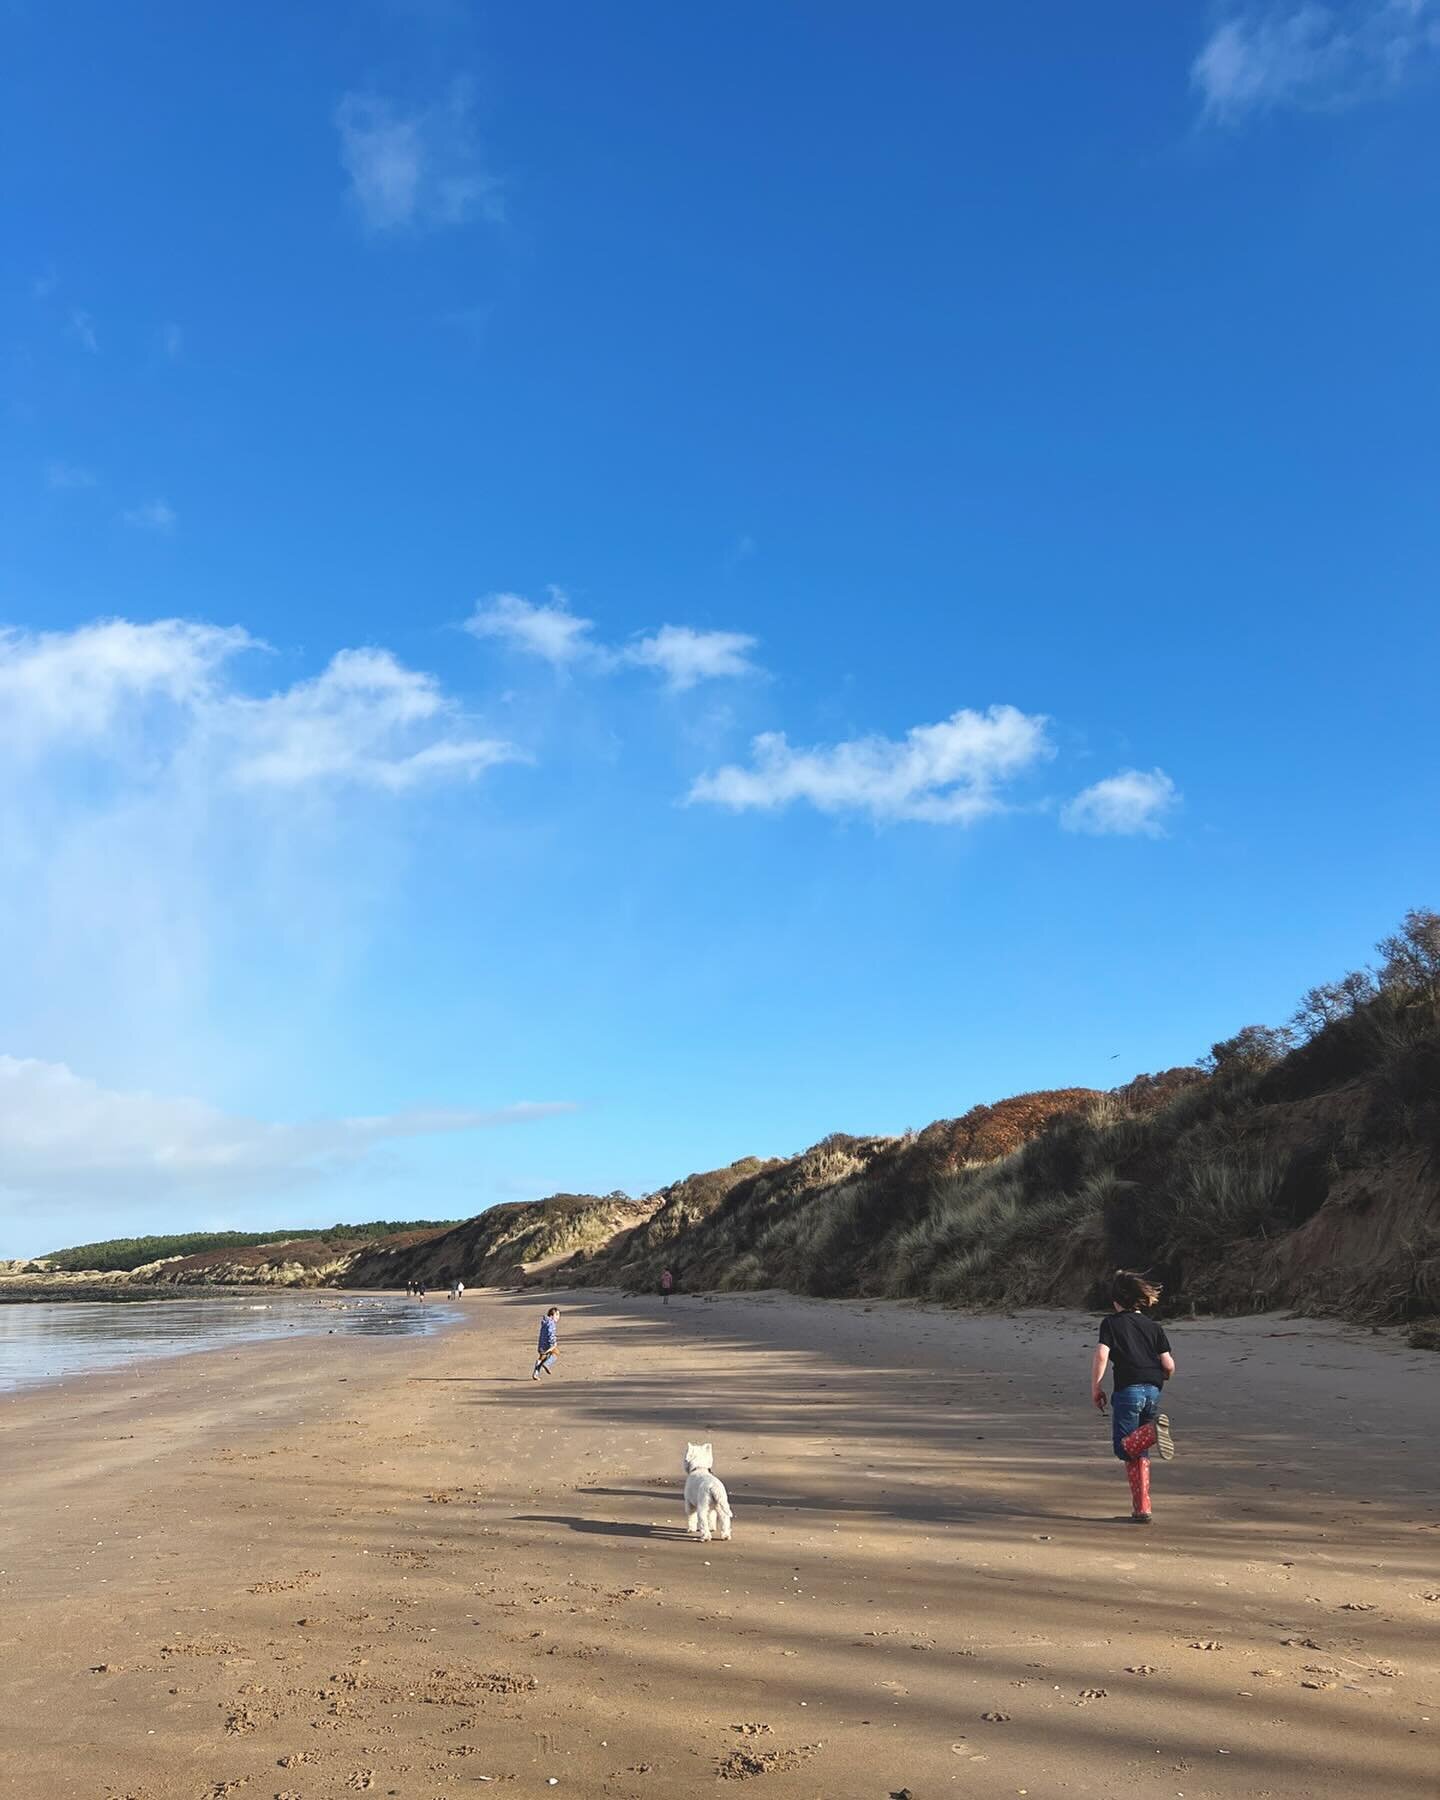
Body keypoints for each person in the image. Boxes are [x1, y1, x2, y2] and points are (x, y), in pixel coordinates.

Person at [1091, 1269, 1176, 1524]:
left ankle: (1152, 1432)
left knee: (1123, 1447)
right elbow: (1169, 1364)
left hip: (1128, 1390)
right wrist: (1164, 1377)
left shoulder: (1111, 1323)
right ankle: (1142, 1508)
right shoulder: (1153, 1327)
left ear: (1115, 1301)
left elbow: (1101, 1355)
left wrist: (1096, 1387)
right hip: (1153, 1388)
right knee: (1138, 1451)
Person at [532, 1306, 560, 1380]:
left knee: (542, 1358)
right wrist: (553, 1343)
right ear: (551, 1315)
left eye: (558, 1315)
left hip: (541, 1343)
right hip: (548, 1344)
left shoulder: (545, 1322)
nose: (558, 1317)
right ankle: (547, 1364)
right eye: (556, 1315)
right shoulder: (551, 1323)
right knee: (556, 1352)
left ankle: (536, 1373)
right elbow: (551, 1334)